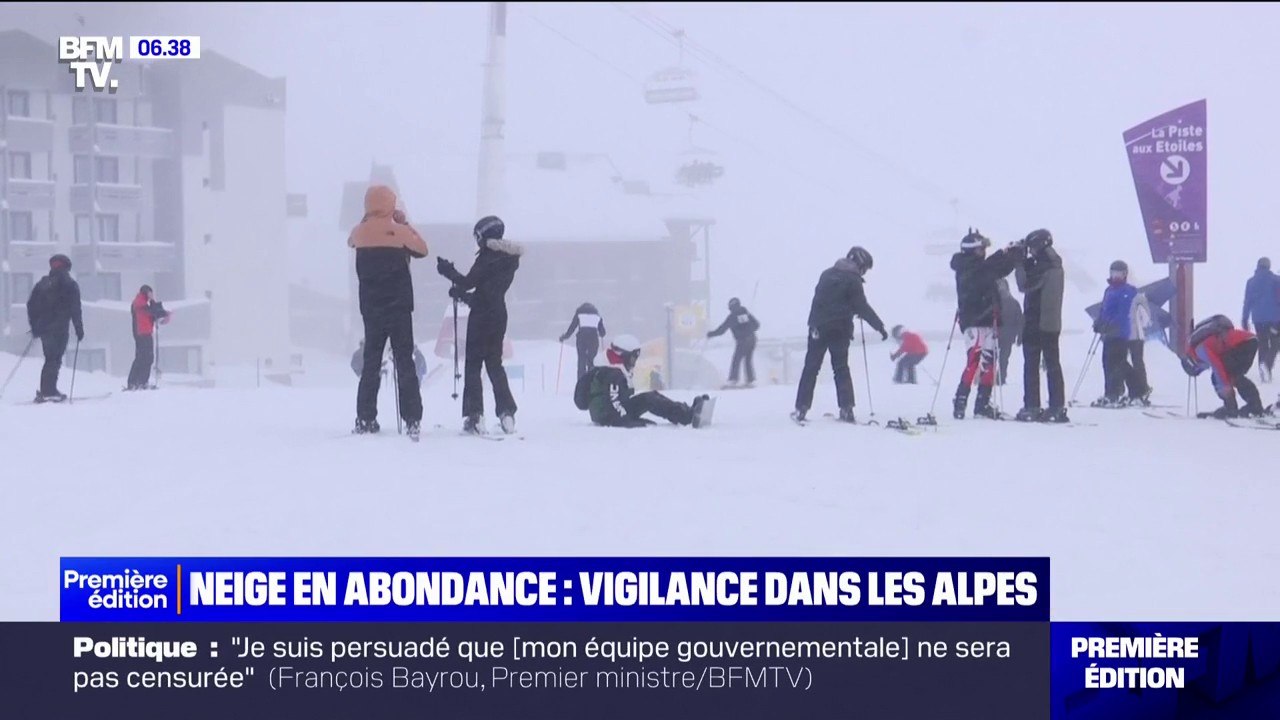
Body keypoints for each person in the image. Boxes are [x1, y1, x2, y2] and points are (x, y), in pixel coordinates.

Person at [349, 185, 429, 437]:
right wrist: (403, 222)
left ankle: (365, 418)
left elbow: (351, 241)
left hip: (372, 309)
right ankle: (412, 418)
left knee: (371, 363)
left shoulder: (359, 233)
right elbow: (422, 249)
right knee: (405, 362)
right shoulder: (400, 232)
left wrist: (367, 220)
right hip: (399, 307)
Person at [437, 215, 524, 435]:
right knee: (495, 364)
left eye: (477, 236)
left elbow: (469, 283)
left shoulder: (487, 257)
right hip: (498, 315)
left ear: (484, 235)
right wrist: (464, 295)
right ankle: (507, 414)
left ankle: (474, 417)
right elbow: (490, 292)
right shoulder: (510, 258)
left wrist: (448, 272)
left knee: (474, 365)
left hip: (480, 317)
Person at [791, 246, 887, 424]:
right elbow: (862, 307)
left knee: (811, 368)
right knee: (841, 369)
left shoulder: (826, 274)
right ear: (859, 262)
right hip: (840, 329)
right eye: (864, 268)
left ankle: (801, 409)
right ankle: (846, 409)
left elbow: (819, 300)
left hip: (818, 327)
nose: (864, 271)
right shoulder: (853, 280)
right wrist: (879, 326)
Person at [950, 229, 1018, 419]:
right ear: (972, 251)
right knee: (974, 360)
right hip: (974, 319)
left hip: (988, 319)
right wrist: (1006, 255)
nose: (984, 252)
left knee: (990, 361)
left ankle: (982, 403)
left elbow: (993, 268)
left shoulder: (980, 266)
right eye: (981, 249)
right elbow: (991, 269)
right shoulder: (968, 267)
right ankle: (960, 400)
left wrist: (1006, 253)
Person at [575, 335, 709, 428]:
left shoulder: (610, 367)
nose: (634, 362)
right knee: (650, 399)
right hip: (609, 416)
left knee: (650, 397)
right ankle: (686, 416)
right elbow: (613, 401)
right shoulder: (613, 373)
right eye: (633, 358)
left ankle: (685, 413)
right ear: (624, 356)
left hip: (612, 413)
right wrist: (628, 421)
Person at [1013, 229, 1067, 423]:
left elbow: (1024, 285)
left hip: (1037, 322)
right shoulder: (1053, 263)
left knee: (1032, 366)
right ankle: (1056, 406)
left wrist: (1019, 263)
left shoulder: (1044, 265)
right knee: (1053, 365)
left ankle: (1032, 406)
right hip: (1051, 322)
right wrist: (1027, 261)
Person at [1091, 260, 1152, 407]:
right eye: (1114, 273)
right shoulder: (1109, 290)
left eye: (1119, 274)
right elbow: (1104, 309)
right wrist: (1099, 322)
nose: (1116, 276)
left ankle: (1121, 392)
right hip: (1108, 334)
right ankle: (1112, 392)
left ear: (1125, 275)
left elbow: (1122, 313)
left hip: (1120, 332)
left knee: (1118, 364)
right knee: (1107, 362)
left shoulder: (1127, 291)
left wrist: (1110, 324)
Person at [25, 254, 84, 403]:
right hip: (59, 328)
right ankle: (49, 391)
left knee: (49, 358)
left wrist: (35, 325)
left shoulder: (43, 283)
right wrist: (79, 328)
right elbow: (75, 308)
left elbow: (30, 305)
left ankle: (47, 389)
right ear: (66, 267)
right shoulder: (70, 284)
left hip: (44, 329)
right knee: (55, 359)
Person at [1182, 315, 1265, 419]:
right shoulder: (1198, 348)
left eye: (1198, 370)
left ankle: (1239, 408)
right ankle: (1247, 406)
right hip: (1248, 342)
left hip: (1244, 344)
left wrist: (1225, 387)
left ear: (1193, 364)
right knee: (1232, 376)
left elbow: (1217, 365)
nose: (1203, 369)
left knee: (1228, 375)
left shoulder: (1200, 350)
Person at [707, 297, 760, 388]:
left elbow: (722, 330)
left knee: (736, 359)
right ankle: (750, 380)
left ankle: (733, 379)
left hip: (742, 340)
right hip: (752, 339)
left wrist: (711, 334)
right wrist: (749, 329)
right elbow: (757, 325)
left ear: (731, 307)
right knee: (747, 359)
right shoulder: (746, 313)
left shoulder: (733, 316)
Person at [126, 284, 170, 391]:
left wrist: (163, 313)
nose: (151, 295)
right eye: (150, 293)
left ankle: (138, 382)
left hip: (143, 333)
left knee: (145, 358)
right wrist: (154, 302)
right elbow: (151, 311)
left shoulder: (141, 302)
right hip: (142, 334)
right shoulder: (140, 302)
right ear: (146, 292)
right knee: (144, 358)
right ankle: (137, 382)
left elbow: (152, 313)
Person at [1242, 257, 1279, 383]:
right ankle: (1267, 365)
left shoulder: (1251, 282)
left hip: (1258, 319)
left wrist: (1244, 319)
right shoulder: (1276, 280)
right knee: (1276, 342)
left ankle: (1263, 372)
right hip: (1275, 319)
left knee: (1262, 344)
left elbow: (1247, 302)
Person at [559, 302, 606, 381]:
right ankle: (591, 382)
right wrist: (601, 333)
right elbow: (603, 333)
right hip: (593, 339)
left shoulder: (579, 313)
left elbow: (572, 327)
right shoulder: (597, 315)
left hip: (581, 338)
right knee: (592, 361)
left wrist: (564, 337)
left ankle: (581, 383)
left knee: (581, 361)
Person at [995, 278, 1023, 385]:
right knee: (1000, 359)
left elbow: (1019, 321)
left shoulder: (1013, 303)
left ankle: (1000, 377)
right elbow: (1020, 321)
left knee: (1001, 359)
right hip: (1001, 336)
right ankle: (998, 377)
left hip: (1004, 336)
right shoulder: (1012, 303)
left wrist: (1020, 336)